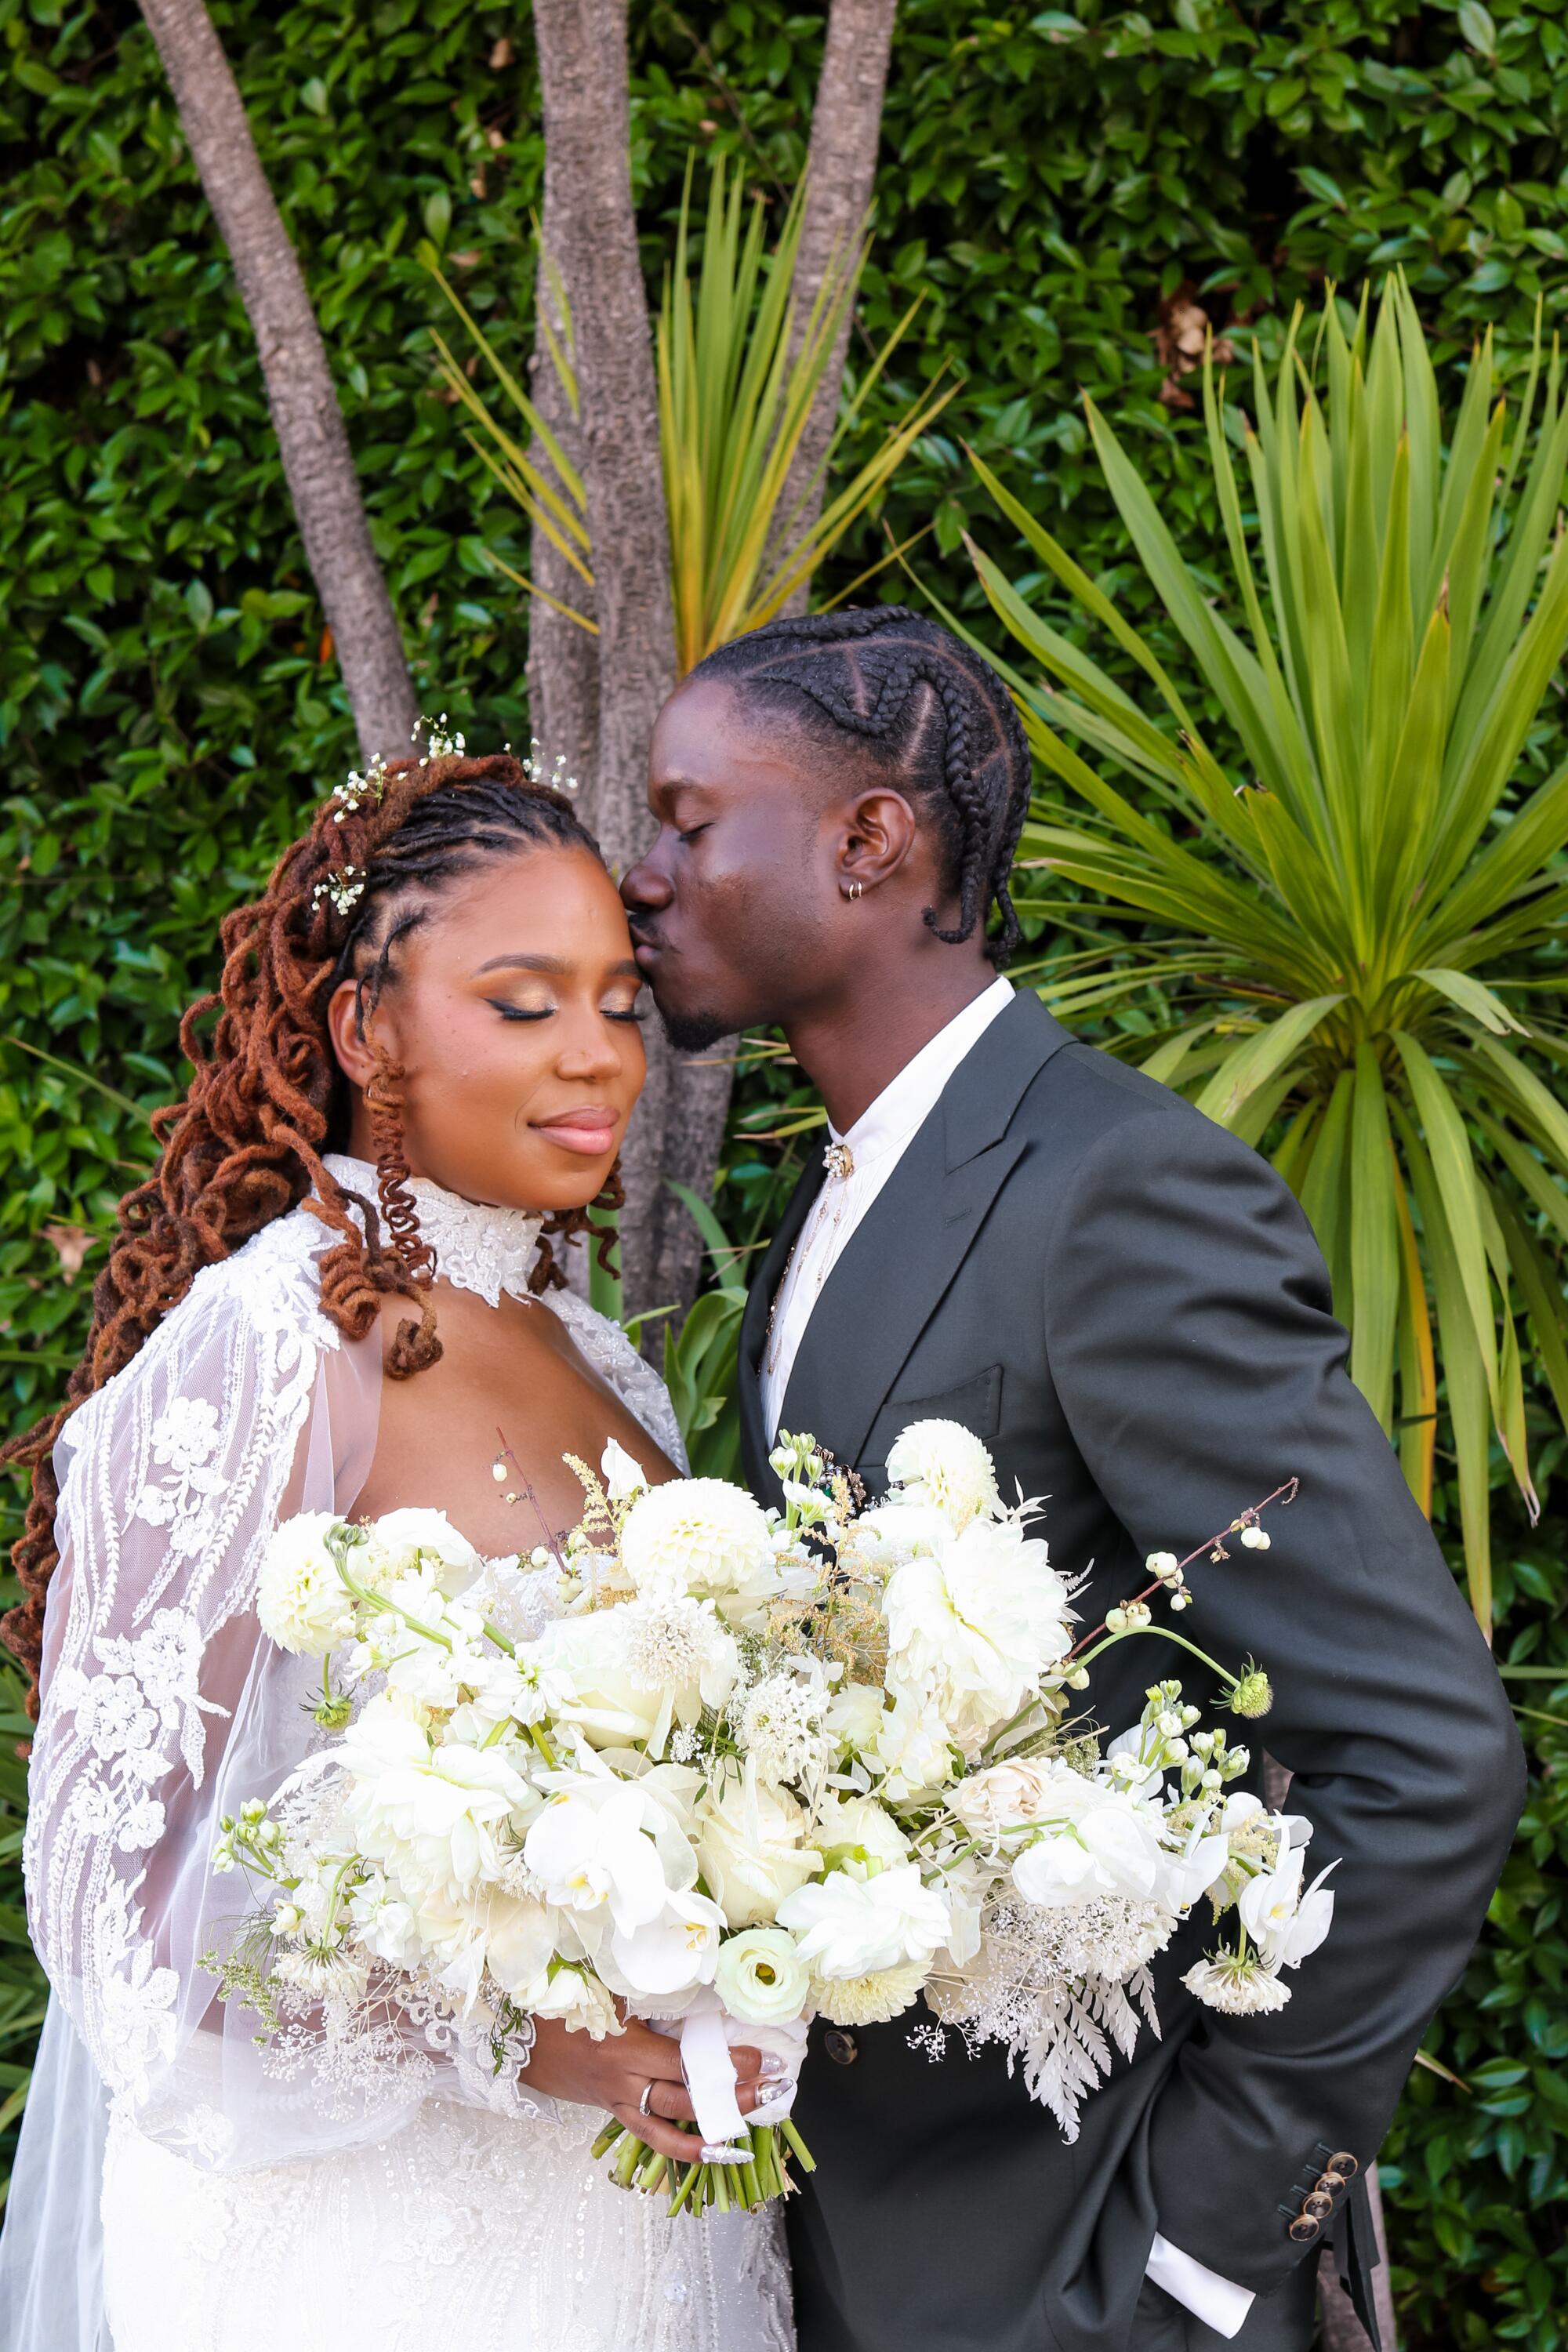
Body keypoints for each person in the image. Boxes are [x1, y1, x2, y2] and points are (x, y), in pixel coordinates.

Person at [621, 605, 1526, 2352]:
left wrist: (1196, 2263)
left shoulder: (1115, 1194)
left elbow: (1424, 1750)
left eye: (685, 817)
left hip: (1078, 2266)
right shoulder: (830, 1194)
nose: (643, 874)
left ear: (867, 839)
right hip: (862, 2242)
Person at [0, 746, 794, 2352]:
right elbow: (118, 1906)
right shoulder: (267, 1350)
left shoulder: (599, 1360)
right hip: (358, 2250)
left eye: (620, 1005)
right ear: (368, 1029)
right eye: (525, 1005)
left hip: (625, 2234)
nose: (597, 1057)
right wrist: (529, 2048)